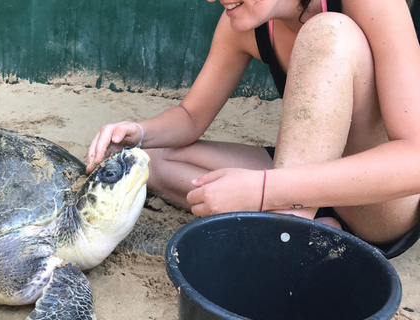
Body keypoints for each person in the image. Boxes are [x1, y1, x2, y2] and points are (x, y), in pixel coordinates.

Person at [86, 0, 420, 258]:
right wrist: (137, 131)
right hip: (297, 173)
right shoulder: (242, 22)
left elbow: (414, 160)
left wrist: (264, 189)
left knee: (327, 32)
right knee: (144, 159)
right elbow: (190, 116)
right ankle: (314, 228)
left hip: (376, 203)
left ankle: (282, 248)